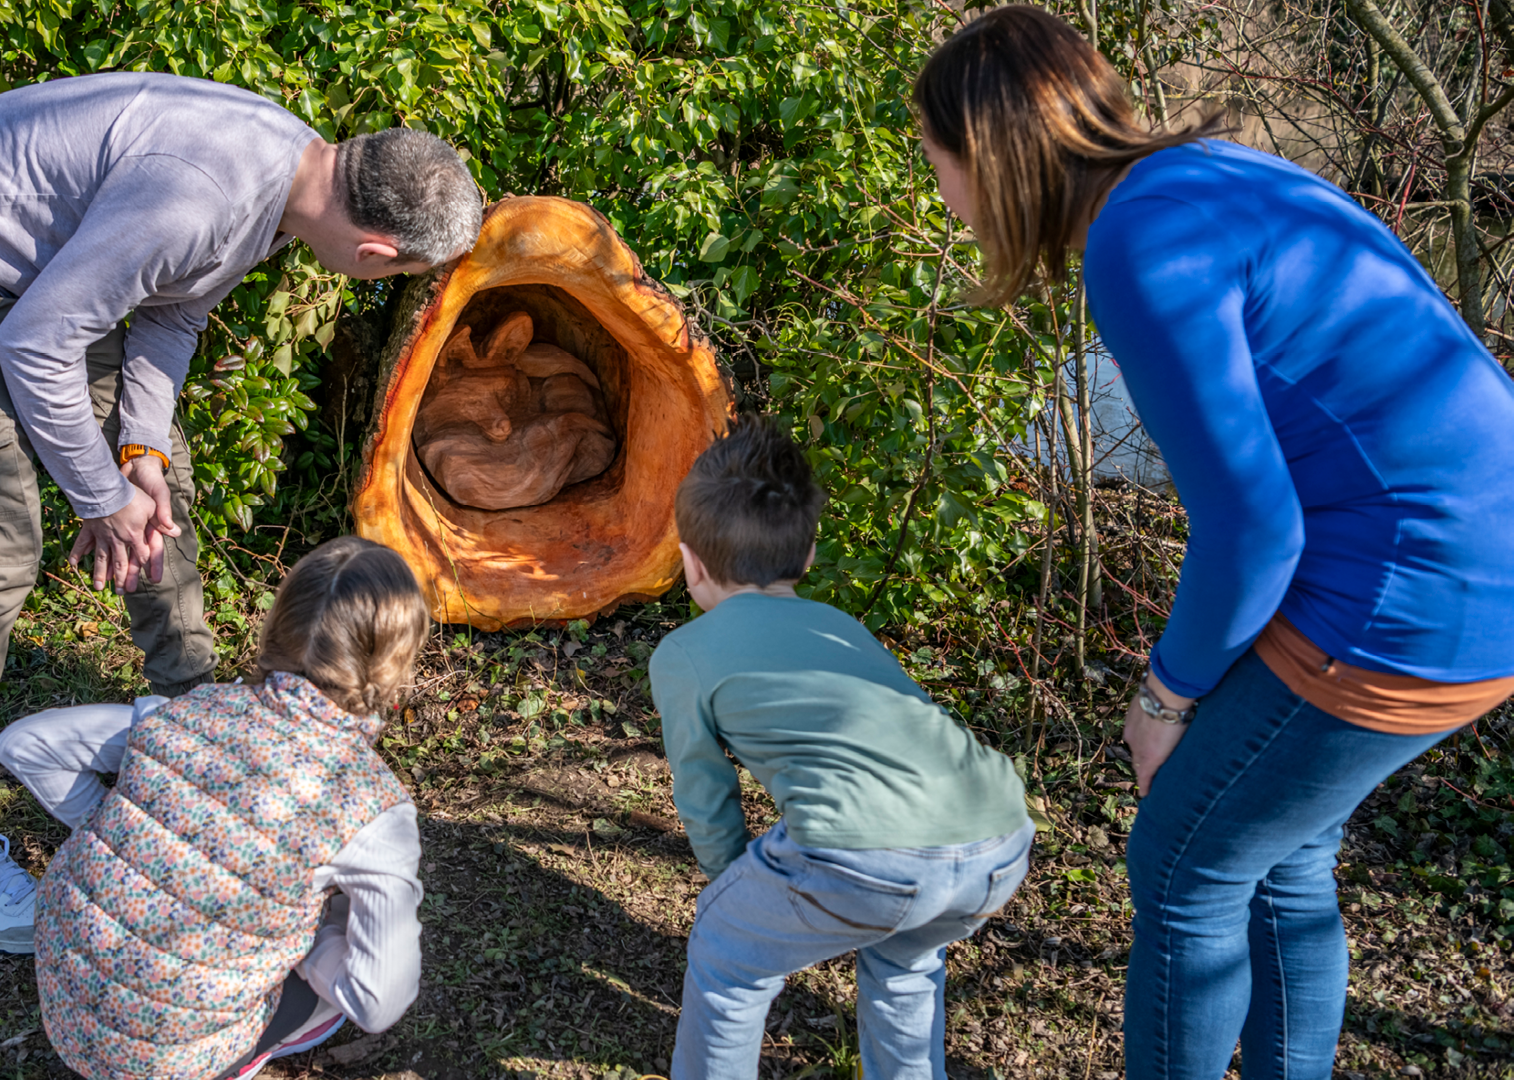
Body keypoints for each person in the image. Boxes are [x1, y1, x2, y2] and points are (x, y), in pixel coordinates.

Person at [913, 8, 1514, 1078]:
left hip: (1405, 593)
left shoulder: (1143, 246)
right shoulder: (1211, 174)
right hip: (1477, 571)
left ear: (990, 158)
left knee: (1183, 864)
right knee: (1278, 852)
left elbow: (1252, 526)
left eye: (939, 167)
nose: (944, 201)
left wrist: (1165, 696)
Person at [0, 71, 483, 952]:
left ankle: (204, 746)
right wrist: (98, 496)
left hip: (44, 276)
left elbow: (172, 315)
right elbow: (36, 343)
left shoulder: (294, 180)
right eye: (401, 275)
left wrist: (137, 456)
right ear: (377, 251)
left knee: (161, 493)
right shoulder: (205, 195)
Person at [649, 415, 1034, 1080]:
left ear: (689, 562)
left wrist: (739, 890)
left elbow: (705, 794)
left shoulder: (684, 654)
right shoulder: (840, 627)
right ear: (807, 553)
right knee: (906, 960)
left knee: (726, 951)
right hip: (997, 840)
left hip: (862, 855)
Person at [0, 535, 430, 1079]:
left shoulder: (183, 712)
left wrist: (128, 832)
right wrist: (314, 944)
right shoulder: (371, 807)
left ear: (278, 625)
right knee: (332, 985)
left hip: (67, 1009)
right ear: (393, 667)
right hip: (167, 1059)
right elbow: (375, 1000)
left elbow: (24, 746)